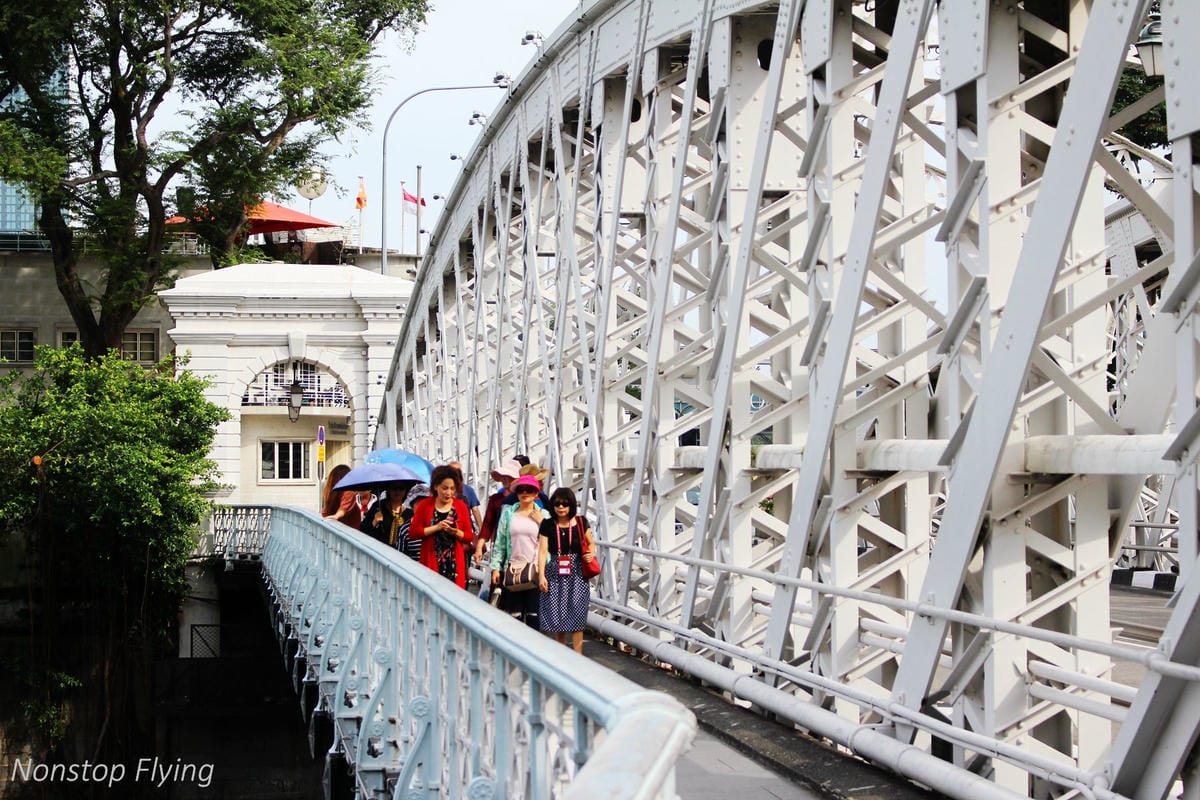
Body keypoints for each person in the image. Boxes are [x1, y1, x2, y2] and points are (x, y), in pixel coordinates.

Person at [538, 487, 593, 653]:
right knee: (557, 613)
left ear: (572, 505)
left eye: (565, 504)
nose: (561, 507)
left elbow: (591, 543)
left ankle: (578, 654)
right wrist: (541, 576)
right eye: (557, 504)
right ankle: (561, 653)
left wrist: (591, 554)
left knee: (577, 611)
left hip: (577, 571)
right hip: (555, 570)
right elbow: (542, 551)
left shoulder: (581, 522)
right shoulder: (547, 524)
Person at [490, 475, 546, 628]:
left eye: (529, 490)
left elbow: (551, 542)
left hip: (535, 570)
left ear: (536, 493)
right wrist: (495, 568)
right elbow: (500, 542)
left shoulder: (543, 515)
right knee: (515, 617)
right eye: (521, 490)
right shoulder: (509, 514)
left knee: (534, 616)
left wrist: (542, 522)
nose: (525, 493)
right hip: (513, 569)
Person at [410, 465, 476, 588]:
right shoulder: (425, 505)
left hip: (454, 566)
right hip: (431, 563)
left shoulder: (460, 506)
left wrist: (455, 532)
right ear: (436, 486)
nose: (448, 493)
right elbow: (413, 532)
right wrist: (436, 527)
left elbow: (468, 536)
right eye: (445, 488)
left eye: (452, 489)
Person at [475, 458, 521, 565]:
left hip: (520, 546)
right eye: (503, 476)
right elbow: (488, 524)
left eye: (508, 476)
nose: (504, 479)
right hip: (500, 546)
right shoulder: (495, 499)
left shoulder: (523, 498)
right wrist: (479, 547)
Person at [359, 480, 414, 550]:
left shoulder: (409, 512)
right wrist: (374, 521)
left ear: (406, 491)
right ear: (388, 489)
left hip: (400, 553)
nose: (397, 492)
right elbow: (363, 530)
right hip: (378, 550)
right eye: (394, 488)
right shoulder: (378, 507)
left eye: (401, 489)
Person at [321, 464, 362, 529]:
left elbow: (325, 512)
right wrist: (336, 516)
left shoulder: (331, 492)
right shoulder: (349, 492)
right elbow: (343, 509)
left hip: (337, 528)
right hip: (349, 530)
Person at [449, 460, 484, 532]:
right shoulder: (468, 489)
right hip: (466, 529)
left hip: (449, 529)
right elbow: (475, 510)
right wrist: (481, 530)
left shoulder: (442, 490)